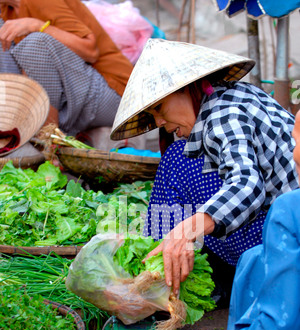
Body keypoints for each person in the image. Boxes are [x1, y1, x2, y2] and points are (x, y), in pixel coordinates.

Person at [110, 39, 299, 304]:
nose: (161, 124)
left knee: (177, 159)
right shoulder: (232, 95)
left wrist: (184, 231)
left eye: (159, 111)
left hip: (286, 239)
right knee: (180, 155)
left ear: (186, 90)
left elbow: (246, 184)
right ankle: (165, 262)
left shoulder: (224, 115)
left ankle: (165, 269)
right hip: (281, 227)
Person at [169, 110, 300, 330]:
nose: (290, 151)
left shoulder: (291, 208)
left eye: (296, 139)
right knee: (258, 259)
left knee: (255, 264)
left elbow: (281, 321)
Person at [0, 0, 133, 137]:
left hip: (115, 94)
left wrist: (36, 25)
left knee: (35, 44)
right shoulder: (6, 9)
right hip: (73, 95)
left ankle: (48, 141)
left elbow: (91, 52)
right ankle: (13, 129)